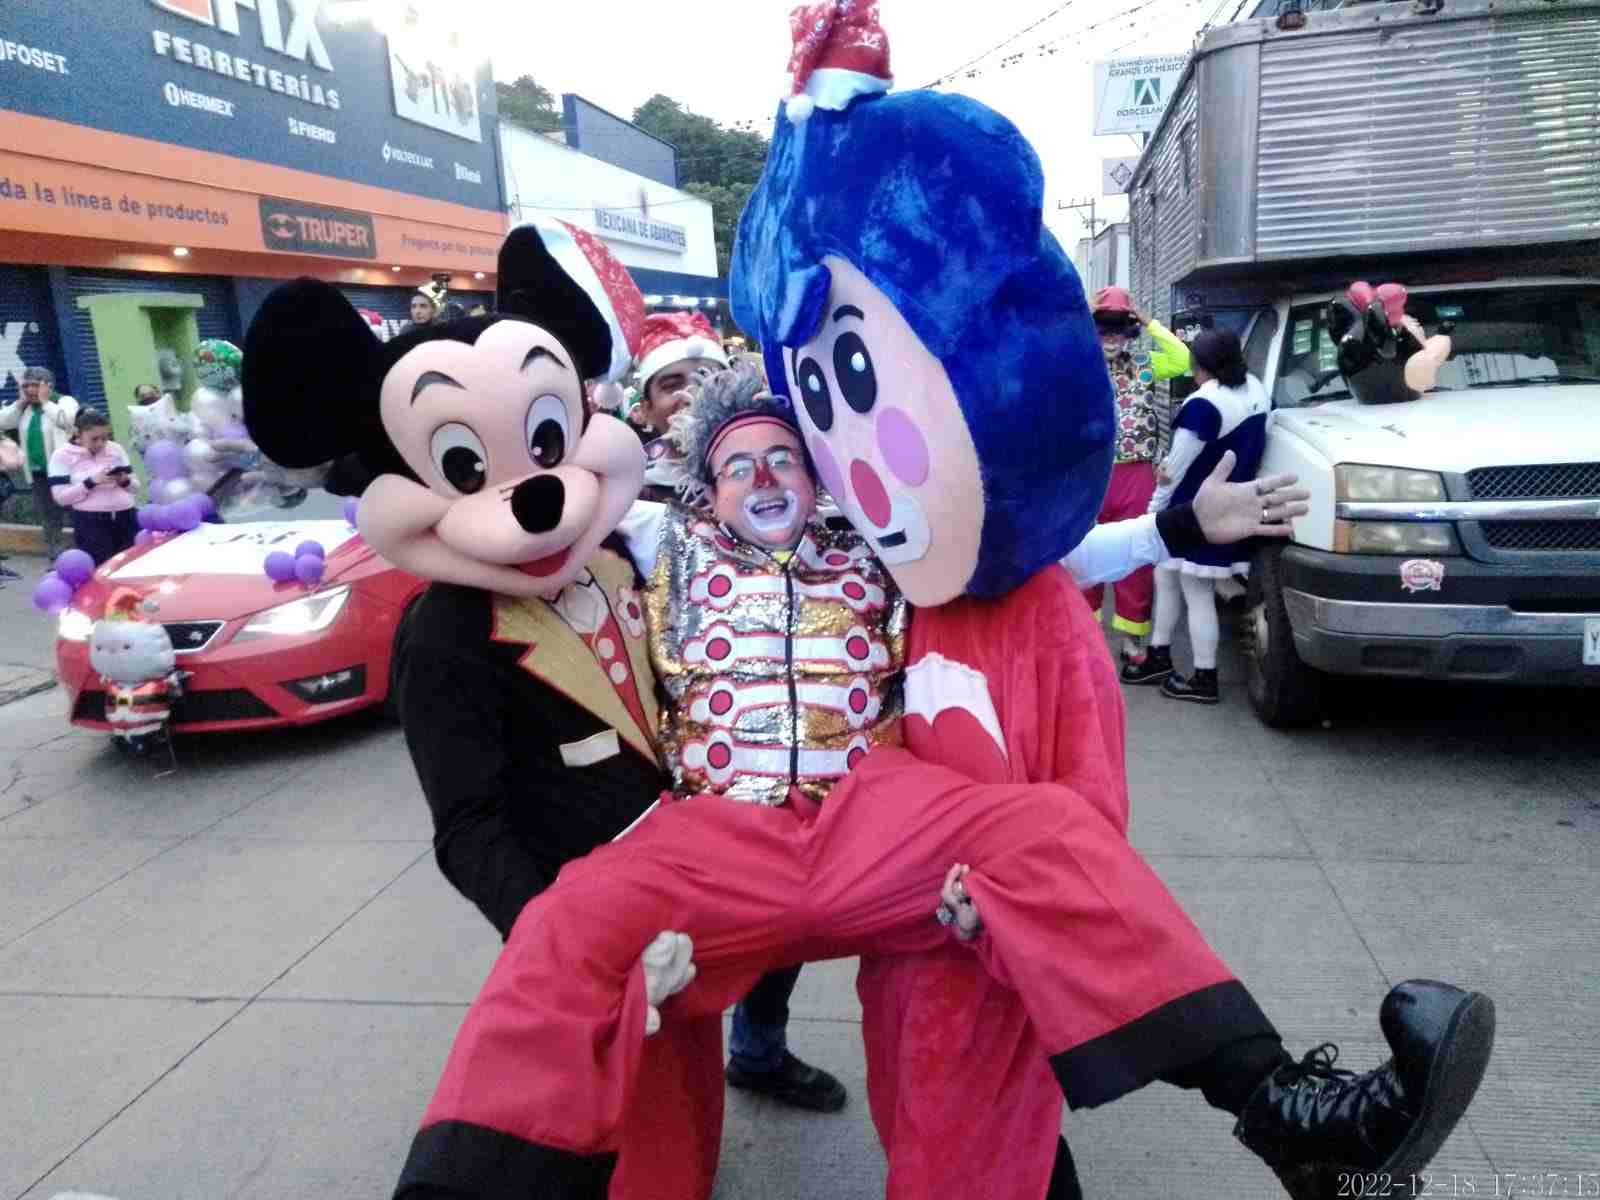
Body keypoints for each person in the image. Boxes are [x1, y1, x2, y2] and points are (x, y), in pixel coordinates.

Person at [388, 9, 1490, 1200]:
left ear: (815, 472)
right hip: (721, 835)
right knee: (570, 923)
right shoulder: (660, 548)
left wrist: (1174, 528)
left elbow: (1038, 561)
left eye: (781, 459)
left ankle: (1289, 1109)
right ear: (698, 486)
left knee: (1042, 835)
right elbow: (533, 529)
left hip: (871, 812)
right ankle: (458, 1186)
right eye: (735, 465)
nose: (761, 477)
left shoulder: (871, 542)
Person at [1125, 329, 1270, 703]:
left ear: (1199, 366)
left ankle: (1205, 677)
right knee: (1167, 575)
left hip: (1194, 510)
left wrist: (1153, 510)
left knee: (1196, 591)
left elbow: (1175, 467)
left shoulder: (1204, 404)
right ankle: (1159, 654)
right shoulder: (1255, 388)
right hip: (1227, 503)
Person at [1082, 286, 1192, 674]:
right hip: (1091, 474)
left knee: (1135, 559)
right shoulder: (1080, 365)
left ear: (1130, 332)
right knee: (1086, 555)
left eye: (1118, 329)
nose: (1111, 337)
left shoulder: (1144, 363)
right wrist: (1083, 314)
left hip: (1136, 474)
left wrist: (1147, 320)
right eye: (1103, 329)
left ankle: (1131, 641)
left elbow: (1182, 359)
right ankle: (1086, 641)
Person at [0, 366, 79, 560]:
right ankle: (58, 558)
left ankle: (87, 553)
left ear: (48, 385)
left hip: (65, 472)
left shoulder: (63, 401)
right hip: (38, 473)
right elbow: (3, 422)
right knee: (49, 518)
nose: (29, 390)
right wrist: (20, 403)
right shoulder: (25, 409)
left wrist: (45, 401)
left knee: (76, 513)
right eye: (26, 385)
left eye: (35, 385)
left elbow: (67, 421)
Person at [49, 407, 138, 564]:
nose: (101, 443)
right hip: (91, 522)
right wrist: (90, 482)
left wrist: (124, 481)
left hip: (126, 515)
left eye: (105, 438)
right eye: (94, 439)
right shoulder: (61, 455)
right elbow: (61, 498)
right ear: (78, 434)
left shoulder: (115, 448)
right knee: (100, 570)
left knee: (132, 566)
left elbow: (136, 488)